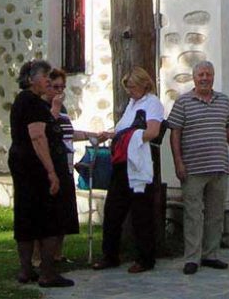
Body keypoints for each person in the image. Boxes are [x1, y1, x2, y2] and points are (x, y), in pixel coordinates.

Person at [168, 60, 229, 275]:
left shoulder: (223, 100)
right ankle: (192, 258)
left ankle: (211, 255)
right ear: (194, 78)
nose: (204, 78)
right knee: (193, 215)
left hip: (218, 166)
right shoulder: (183, 102)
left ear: (213, 77)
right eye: (200, 74)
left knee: (215, 214)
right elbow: (175, 133)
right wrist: (178, 162)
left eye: (208, 74)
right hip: (193, 169)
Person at [90, 67, 165, 273]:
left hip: (139, 162)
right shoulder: (131, 105)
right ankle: (110, 255)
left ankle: (145, 258)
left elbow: (152, 132)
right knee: (113, 210)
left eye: (132, 87)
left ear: (144, 85)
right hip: (122, 163)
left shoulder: (152, 103)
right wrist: (111, 135)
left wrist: (129, 138)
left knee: (141, 211)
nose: (130, 91)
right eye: (128, 88)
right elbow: (122, 130)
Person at [8, 59, 75, 288]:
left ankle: (26, 270)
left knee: (26, 216)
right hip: (35, 168)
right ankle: (47, 272)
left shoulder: (22, 101)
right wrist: (51, 171)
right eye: (44, 76)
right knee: (49, 219)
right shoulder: (33, 103)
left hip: (22, 164)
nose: (48, 80)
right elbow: (38, 137)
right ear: (30, 79)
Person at [45, 69, 84, 260]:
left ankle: (57, 254)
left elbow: (68, 133)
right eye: (55, 87)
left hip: (66, 163)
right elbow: (45, 129)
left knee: (64, 211)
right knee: (49, 213)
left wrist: (93, 136)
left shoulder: (63, 109)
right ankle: (40, 256)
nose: (60, 91)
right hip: (51, 163)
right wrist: (54, 107)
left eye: (62, 87)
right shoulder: (43, 107)